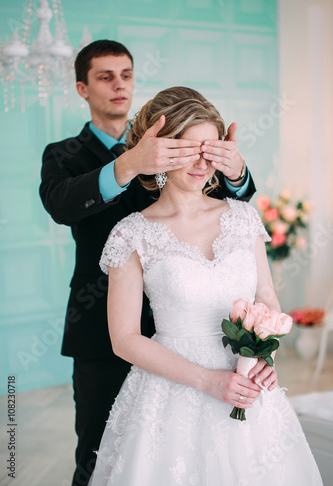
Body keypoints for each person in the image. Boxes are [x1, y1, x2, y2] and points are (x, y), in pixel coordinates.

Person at [39, 40, 256, 486]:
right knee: (100, 453)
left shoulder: (172, 142)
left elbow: (229, 203)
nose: (119, 85)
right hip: (103, 329)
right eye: (105, 76)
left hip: (185, 331)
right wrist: (128, 165)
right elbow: (61, 205)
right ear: (82, 87)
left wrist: (236, 171)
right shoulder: (63, 154)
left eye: (127, 75)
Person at [89, 86, 323, 486]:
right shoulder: (131, 234)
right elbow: (124, 339)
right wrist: (208, 380)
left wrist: (266, 358)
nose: (203, 163)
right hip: (171, 396)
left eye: (211, 149)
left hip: (248, 384)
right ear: (162, 152)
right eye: (189, 149)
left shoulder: (244, 217)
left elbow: (266, 301)